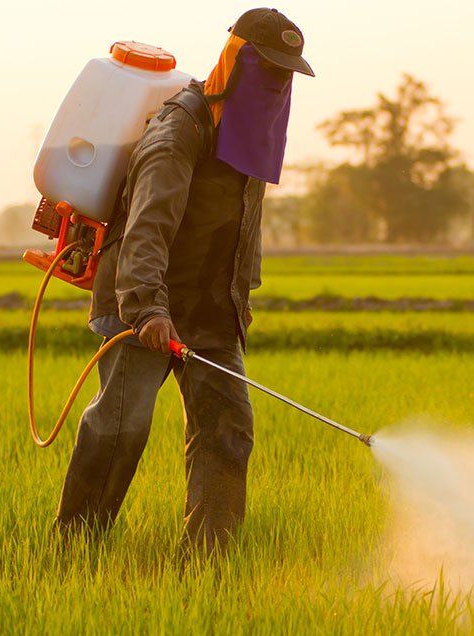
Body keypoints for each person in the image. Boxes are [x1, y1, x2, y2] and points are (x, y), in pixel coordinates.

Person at [54, 7, 314, 556]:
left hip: (210, 310)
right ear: (235, 60)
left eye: (286, 71)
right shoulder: (179, 132)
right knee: (122, 426)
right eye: (267, 66)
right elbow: (147, 228)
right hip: (143, 302)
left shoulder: (250, 137)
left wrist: (239, 302)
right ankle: (74, 550)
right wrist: (148, 308)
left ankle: (206, 565)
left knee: (228, 427)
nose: (277, 80)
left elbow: (244, 228)